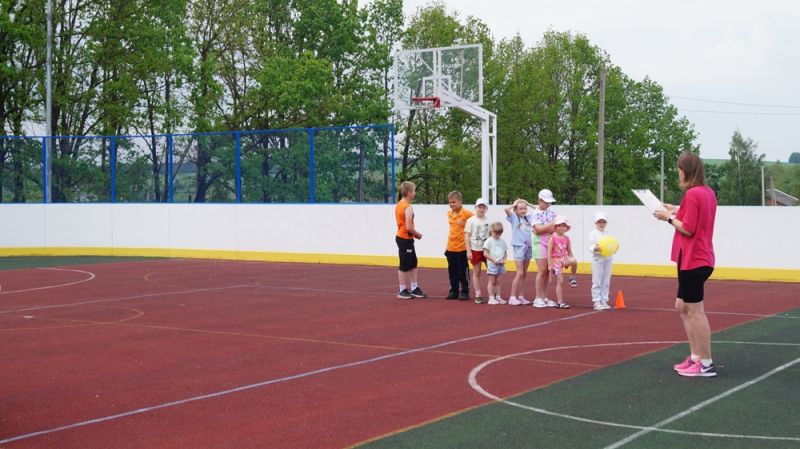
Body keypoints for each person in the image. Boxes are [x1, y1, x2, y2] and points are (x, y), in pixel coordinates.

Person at [654, 152, 717, 378]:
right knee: (682, 306)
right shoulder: (706, 192)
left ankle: (705, 363)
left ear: (686, 171)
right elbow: (693, 214)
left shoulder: (693, 193)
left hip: (694, 259)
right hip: (694, 258)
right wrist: (674, 209)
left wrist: (668, 218)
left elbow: (688, 228)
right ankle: (696, 357)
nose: (678, 174)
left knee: (695, 310)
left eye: (680, 170)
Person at [395, 181, 426, 299]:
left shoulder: (399, 204)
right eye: (414, 191)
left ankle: (414, 288)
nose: (415, 193)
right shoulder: (407, 208)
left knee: (413, 262)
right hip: (404, 239)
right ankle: (402, 289)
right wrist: (418, 234)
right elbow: (408, 227)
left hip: (406, 238)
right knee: (404, 264)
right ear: (409, 193)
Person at [532, 189, 558, 308]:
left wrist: (545, 228)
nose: (548, 204)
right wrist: (550, 225)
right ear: (540, 200)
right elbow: (538, 230)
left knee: (548, 271)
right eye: (546, 202)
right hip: (539, 243)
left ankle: (544, 297)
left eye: (549, 202)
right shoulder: (535, 213)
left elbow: (554, 229)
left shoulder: (551, 212)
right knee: (542, 270)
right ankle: (538, 297)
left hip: (550, 243)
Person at [445, 191, 474, 300]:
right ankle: (454, 290)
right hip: (450, 247)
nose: (451, 204)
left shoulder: (467, 214)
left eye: (454, 202)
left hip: (462, 248)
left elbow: (475, 222)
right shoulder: (449, 213)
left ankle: (465, 291)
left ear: (460, 202)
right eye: (450, 202)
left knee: (463, 271)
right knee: (452, 271)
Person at [504, 198, 533, 306]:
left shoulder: (528, 218)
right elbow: (506, 209)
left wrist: (528, 203)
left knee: (524, 273)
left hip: (528, 246)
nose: (523, 210)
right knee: (520, 273)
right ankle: (512, 297)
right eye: (520, 209)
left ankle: (521, 296)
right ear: (516, 210)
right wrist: (514, 204)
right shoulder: (514, 217)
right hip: (519, 247)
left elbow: (539, 211)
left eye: (524, 208)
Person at [465, 198, 491, 303]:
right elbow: (467, 236)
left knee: (491, 271)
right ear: (475, 208)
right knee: (477, 272)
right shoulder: (470, 221)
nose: (481, 209)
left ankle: (492, 293)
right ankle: (478, 294)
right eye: (479, 207)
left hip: (486, 249)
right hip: (475, 249)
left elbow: (491, 236)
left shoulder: (489, 221)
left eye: (483, 207)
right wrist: (468, 251)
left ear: (486, 209)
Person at [547, 215, 575, 309]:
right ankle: (560, 302)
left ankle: (573, 277)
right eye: (559, 225)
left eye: (564, 225)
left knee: (574, 261)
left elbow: (569, 251)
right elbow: (549, 252)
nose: (562, 227)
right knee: (561, 281)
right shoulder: (552, 238)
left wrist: (570, 261)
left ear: (567, 228)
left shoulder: (567, 238)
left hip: (564, 258)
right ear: (555, 227)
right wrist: (550, 265)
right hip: (556, 261)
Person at [588, 211, 613, 310]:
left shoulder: (607, 233)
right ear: (596, 223)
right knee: (597, 281)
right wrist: (595, 248)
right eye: (599, 222)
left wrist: (614, 248)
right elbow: (591, 245)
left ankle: (604, 299)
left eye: (603, 222)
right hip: (598, 260)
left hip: (608, 259)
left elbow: (611, 244)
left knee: (606, 281)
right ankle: (597, 301)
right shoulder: (593, 234)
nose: (601, 224)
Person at [483, 222, 508, 305]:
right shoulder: (489, 241)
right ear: (491, 231)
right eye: (496, 233)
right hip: (492, 264)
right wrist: (493, 260)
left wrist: (504, 260)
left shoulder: (502, 241)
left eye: (499, 234)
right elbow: (485, 253)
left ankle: (498, 297)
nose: (497, 235)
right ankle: (491, 298)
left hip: (500, 264)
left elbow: (505, 252)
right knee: (492, 281)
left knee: (498, 281)